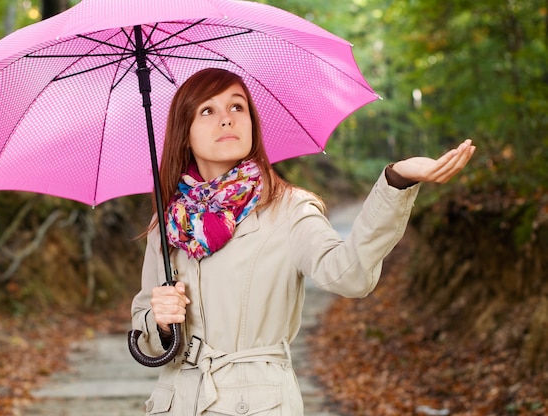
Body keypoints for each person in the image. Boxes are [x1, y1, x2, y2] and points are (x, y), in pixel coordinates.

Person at [131, 68, 475, 415]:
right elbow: (143, 331)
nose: (227, 120)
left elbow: (349, 274)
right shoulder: (169, 224)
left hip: (256, 403)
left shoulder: (289, 210)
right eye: (207, 110)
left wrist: (396, 182)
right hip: (175, 403)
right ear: (184, 133)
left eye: (237, 107)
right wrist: (159, 323)